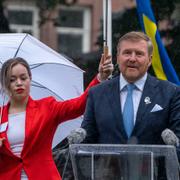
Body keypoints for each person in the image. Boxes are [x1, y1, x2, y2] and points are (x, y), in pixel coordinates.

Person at [81, 31, 180, 178]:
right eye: (127, 53)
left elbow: (177, 141)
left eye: (139, 54)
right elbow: (86, 141)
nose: (132, 59)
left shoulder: (170, 92)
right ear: (117, 57)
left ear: (150, 60)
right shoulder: (97, 94)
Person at [0, 55, 113, 179]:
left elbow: (78, 105)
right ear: (5, 84)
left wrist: (100, 78)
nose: (19, 83)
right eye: (12, 80)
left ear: (30, 79)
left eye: (23, 78)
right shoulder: (1, 115)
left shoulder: (47, 107)